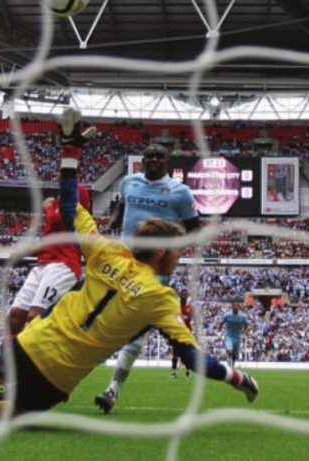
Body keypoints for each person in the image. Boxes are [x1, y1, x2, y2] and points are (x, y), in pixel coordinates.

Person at [0, 108, 257, 425]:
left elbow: (70, 208)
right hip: (62, 371)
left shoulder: (105, 254)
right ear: (160, 255)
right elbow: (192, 358)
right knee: (19, 412)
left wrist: (70, 152)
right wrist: (239, 378)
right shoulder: (160, 299)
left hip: (37, 340)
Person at [95, 142, 200, 414]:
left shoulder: (180, 192)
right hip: (121, 262)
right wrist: (111, 226)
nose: (153, 160)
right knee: (94, 316)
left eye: (159, 157)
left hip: (154, 270)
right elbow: (120, 209)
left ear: (166, 161)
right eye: (149, 156)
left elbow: (194, 230)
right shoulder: (129, 182)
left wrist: (168, 247)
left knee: (136, 331)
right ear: (142, 160)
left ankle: (112, 389)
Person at [0, 184, 90, 401]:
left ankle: (33, 379)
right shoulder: (54, 202)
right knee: (15, 317)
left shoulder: (78, 191)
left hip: (64, 264)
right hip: (43, 263)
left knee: (35, 316)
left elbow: (63, 217)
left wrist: (48, 208)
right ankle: (5, 378)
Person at [170, 288, 194, 379]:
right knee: (175, 352)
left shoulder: (189, 307)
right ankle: (173, 372)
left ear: (187, 296)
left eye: (185, 294)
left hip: (187, 332)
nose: (183, 295)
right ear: (180, 295)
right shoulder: (176, 306)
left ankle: (187, 372)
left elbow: (190, 319)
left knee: (187, 353)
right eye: (182, 294)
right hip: (177, 332)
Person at [222, 302, 247, 367]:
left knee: (234, 355)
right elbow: (221, 323)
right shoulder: (227, 315)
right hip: (229, 336)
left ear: (239, 307)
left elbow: (246, 325)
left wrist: (245, 332)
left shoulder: (243, 316)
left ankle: (232, 364)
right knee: (230, 351)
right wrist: (219, 331)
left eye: (236, 305)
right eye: (234, 305)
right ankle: (229, 360)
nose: (235, 307)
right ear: (232, 307)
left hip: (237, 337)